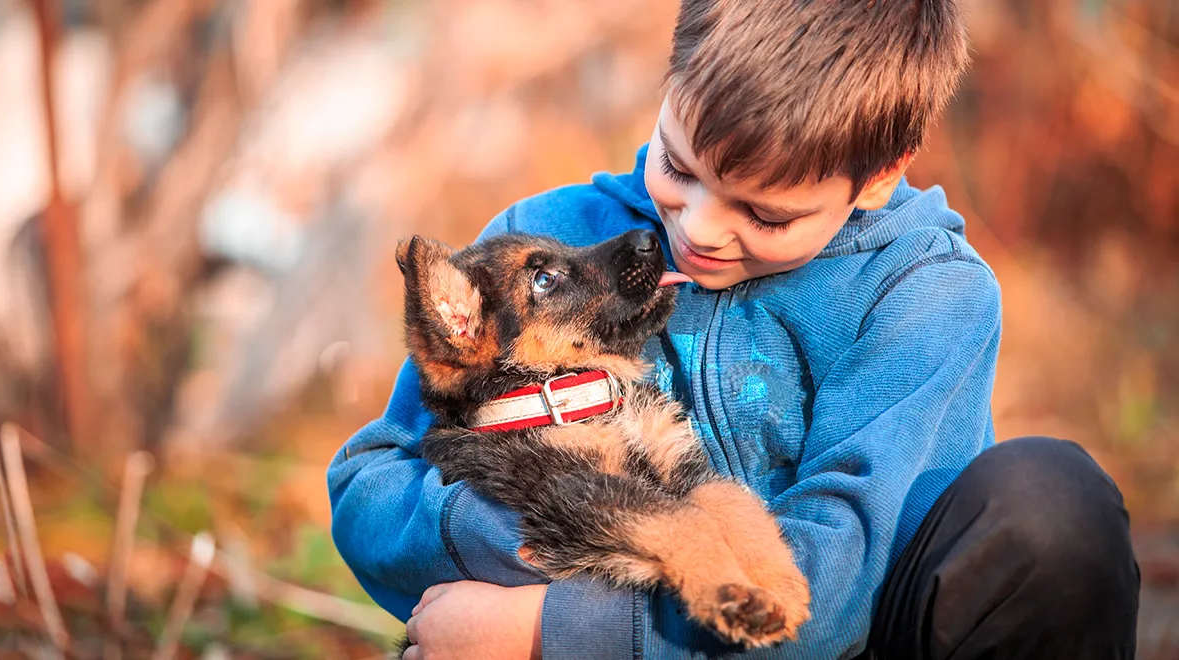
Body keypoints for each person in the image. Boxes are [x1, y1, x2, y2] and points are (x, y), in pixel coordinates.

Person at [327, 1, 1140, 658]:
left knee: (1051, 508)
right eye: (677, 167)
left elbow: (829, 595)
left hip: (835, 636)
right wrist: (516, 534)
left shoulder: (925, 297)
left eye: (765, 212)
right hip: (630, 586)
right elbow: (372, 482)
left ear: (879, 175)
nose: (699, 231)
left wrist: (549, 629)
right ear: (669, 80)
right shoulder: (547, 235)